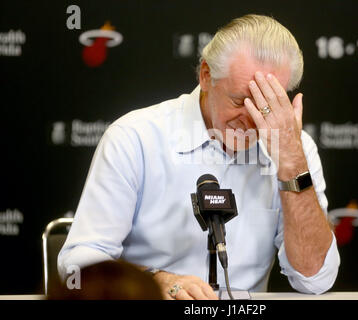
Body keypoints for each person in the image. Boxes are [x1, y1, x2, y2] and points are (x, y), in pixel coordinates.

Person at [58, 14, 340, 300]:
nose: (252, 119)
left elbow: (315, 280)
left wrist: (292, 162)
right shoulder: (135, 138)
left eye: (266, 105)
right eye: (240, 101)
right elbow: (77, 264)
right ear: (206, 75)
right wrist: (157, 281)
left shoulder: (295, 148)